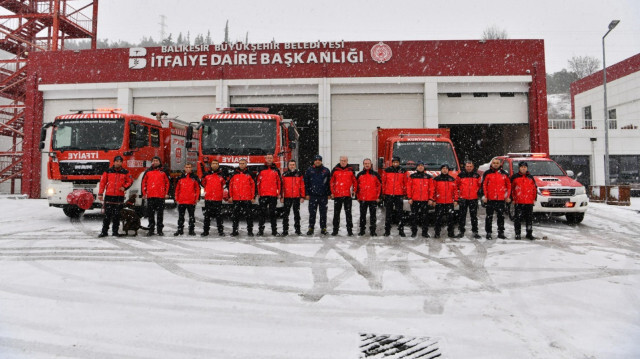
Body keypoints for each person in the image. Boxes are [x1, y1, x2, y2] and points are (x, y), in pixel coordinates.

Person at [97, 155, 133, 237]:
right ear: (114, 162)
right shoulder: (108, 171)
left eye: (120, 161)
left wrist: (124, 187)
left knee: (117, 216)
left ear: (121, 163)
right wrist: (100, 193)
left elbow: (130, 181)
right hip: (109, 196)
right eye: (117, 161)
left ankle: (115, 232)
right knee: (107, 216)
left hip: (119, 197)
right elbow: (102, 183)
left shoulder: (125, 172)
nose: (118, 163)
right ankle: (104, 232)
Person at [482, 158, 512, 239]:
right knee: (489, 217)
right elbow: (484, 185)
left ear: (500, 164)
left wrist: (507, 196)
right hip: (490, 199)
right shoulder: (487, 173)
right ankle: (488, 232)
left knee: (501, 216)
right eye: (494, 163)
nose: (495, 164)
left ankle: (501, 232)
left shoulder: (504, 173)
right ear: (491, 164)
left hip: (501, 199)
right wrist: (485, 196)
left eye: (497, 163)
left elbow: (509, 186)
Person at [142, 156, 170, 236]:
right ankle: (151, 229)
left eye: (157, 160)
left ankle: (159, 230)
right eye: (154, 160)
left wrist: (166, 193)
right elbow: (144, 183)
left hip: (160, 196)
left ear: (160, 162)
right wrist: (144, 193)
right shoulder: (148, 171)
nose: (155, 162)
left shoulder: (164, 171)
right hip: (150, 196)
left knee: (160, 214)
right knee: (150, 214)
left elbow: (167, 183)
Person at [330, 156, 357, 236]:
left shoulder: (351, 170)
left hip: (347, 195)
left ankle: (349, 230)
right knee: (336, 214)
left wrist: (354, 191)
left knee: (348, 214)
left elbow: (355, 182)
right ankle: (335, 230)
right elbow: (331, 182)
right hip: (337, 195)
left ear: (347, 161)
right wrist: (332, 192)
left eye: (344, 160)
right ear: (339, 161)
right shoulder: (335, 170)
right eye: (342, 160)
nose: (343, 162)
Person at [228, 158, 256, 236]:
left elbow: (253, 186)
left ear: (246, 164)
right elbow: (230, 185)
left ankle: (250, 231)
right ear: (239, 164)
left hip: (247, 198)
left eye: (243, 163)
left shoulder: (250, 174)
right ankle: (235, 231)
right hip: (236, 198)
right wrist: (230, 196)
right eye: (240, 163)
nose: (242, 165)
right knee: (235, 216)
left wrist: (253, 196)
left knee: (249, 216)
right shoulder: (234, 174)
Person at [304, 155, 331, 236]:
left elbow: (329, 183)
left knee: (323, 213)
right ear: (314, 161)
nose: (317, 161)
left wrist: (329, 193)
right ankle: (311, 228)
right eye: (316, 160)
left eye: (319, 160)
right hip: (312, 196)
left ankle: (323, 228)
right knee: (312, 213)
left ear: (321, 161)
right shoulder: (309, 170)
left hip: (323, 196)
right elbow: (306, 183)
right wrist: (307, 193)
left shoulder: (326, 171)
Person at [407, 161, 434, 239]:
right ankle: (414, 232)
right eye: (419, 166)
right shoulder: (412, 176)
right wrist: (409, 198)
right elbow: (409, 188)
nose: (420, 167)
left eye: (422, 165)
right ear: (416, 167)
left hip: (425, 200)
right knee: (414, 217)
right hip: (414, 200)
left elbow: (431, 189)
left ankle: (424, 232)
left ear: (424, 167)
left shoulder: (428, 177)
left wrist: (431, 198)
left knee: (425, 218)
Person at [511, 161, 537, 240]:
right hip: (519, 202)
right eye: (522, 167)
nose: (523, 168)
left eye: (525, 167)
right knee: (518, 219)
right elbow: (511, 189)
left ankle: (529, 233)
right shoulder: (514, 177)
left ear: (527, 168)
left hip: (529, 202)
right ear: (519, 168)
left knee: (529, 219)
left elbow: (534, 189)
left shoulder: (530, 177)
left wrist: (534, 199)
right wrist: (513, 199)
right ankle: (517, 234)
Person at [257, 154, 282, 236]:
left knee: (273, 214)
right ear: (265, 159)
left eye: (270, 158)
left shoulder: (276, 169)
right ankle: (260, 231)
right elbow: (257, 182)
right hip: (263, 195)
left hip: (273, 195)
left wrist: (278, 193)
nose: (269, 159)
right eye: (268, 158)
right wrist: (258, 193)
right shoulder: (260, 169)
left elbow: (279, 182)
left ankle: (274, 231)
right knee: (262, 214)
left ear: (272, 159)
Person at [201, 159, 227, 237]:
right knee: (207, 216)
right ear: (211, 165)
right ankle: (205, 231)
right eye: (213, 163)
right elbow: (203, 183)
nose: (214, 165)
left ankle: (220, 231)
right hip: (208, 198)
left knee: (219, 216)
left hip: (218, 199)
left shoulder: (222, 175)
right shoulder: (206, 174)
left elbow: (224, 185)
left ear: (218, 165)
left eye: (216, 163)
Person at [355, 158, 382, 236]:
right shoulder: (360, 174)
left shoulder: (375, 174)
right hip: (363, 199)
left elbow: (379, 186)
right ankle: (362, 230)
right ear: (363, 164)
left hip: (373, 199)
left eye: (368, 163)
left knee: (373, 216)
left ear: (371, 164)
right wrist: (357, 196)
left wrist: (378, 197)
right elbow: (356, 187)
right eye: (365, 163)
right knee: (362, 216)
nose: (367, 165)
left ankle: (373, 231)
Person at [456, 160, 482, 239]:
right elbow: (457, 186)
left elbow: (480, 186)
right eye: (467, 166)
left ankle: (475, 231)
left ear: (473, 167)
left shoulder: (477, 176)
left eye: (470, 166)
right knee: (462, 216)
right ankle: (461, 231)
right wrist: (458, 197)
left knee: (474, 216)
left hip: (473, 199)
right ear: (465, 167)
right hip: (463, 199)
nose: (469, 168)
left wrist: (477, 194)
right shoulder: (460, 175)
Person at [173, 163, 201, 236]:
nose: (188, 168)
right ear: (184, 168)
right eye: (186, 167)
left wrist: (197, 198)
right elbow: (177, 189)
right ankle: (180, 230)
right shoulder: (180, 177)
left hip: (191, 200)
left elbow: (197, 189)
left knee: (191, 217)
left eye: (189, 167)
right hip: (182, 200)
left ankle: (191, 230)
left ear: (191, 168)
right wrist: (176, 198)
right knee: (181, 217)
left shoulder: (194, 177)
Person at [382, 156, 407, 237]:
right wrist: (383, 193)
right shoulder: (387, 170)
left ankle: (401, 230)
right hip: (389, 195)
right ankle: (387, 231)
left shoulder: (403, 171)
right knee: (388, 214)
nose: (395, 163)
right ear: (392, 162)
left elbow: (405, 183)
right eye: (394, 162)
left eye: (397, 162)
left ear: (399, 163)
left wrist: (404, 193)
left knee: (400, 214)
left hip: (399, 195)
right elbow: (384, 182)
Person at [433, 164, 459, 238]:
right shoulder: (436, 179)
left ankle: (451, 233)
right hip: (439, 202)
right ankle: (437, 233)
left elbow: (455, 191)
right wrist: (434, 200)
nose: (445, 170)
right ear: (441, 170)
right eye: (443, 168)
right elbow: (433, 191)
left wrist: (456, 200)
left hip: (449, 202)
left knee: (450, 219)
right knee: (438, 219)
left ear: (448, 170)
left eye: (446, 169)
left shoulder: (452, 179)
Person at [280, 159, 305, 236]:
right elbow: (282, 187)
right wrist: (281, 196)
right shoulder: (284, 174)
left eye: (293, 164)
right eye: (290, 165)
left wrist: (302, 196)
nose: (292, 166)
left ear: (295, 165)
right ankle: (285, 230)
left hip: (296, 197)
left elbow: (302, 186)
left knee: (297, 214)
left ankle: (298, 230)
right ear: (288, 166)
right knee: (285, 215)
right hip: (287, 197)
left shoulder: (299, 174)